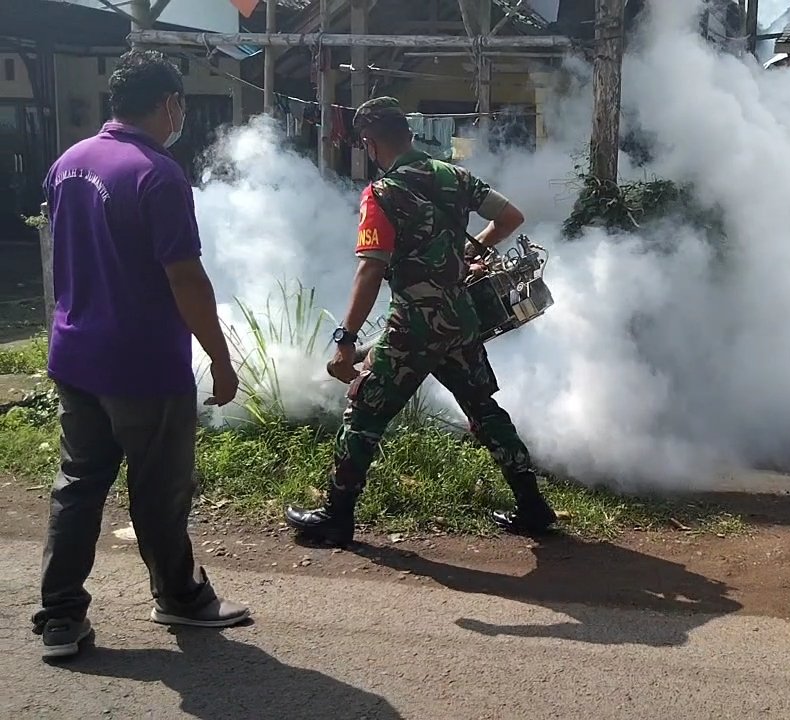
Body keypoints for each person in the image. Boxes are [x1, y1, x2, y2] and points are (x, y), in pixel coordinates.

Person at [33, 49, 250, 660]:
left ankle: (60, 619)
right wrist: (220, 357)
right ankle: (179, 598)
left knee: (77, 484)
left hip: (75, 356)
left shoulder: (68, 163)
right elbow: (185, 277)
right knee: (159, 490)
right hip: (142, 366)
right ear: (169, 104)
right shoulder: (157, 172)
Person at [284, 96, 557, 546]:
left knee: (365, 411)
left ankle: (336, 516)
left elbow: (371, 268)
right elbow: (511, 217)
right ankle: (533, 505)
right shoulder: (453, 175)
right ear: (409, 135)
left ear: (370, 144)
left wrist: (346, 339)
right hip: (460, 319)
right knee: (485, 410)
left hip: (413, 326)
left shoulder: (381, 194)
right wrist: (474, 249)